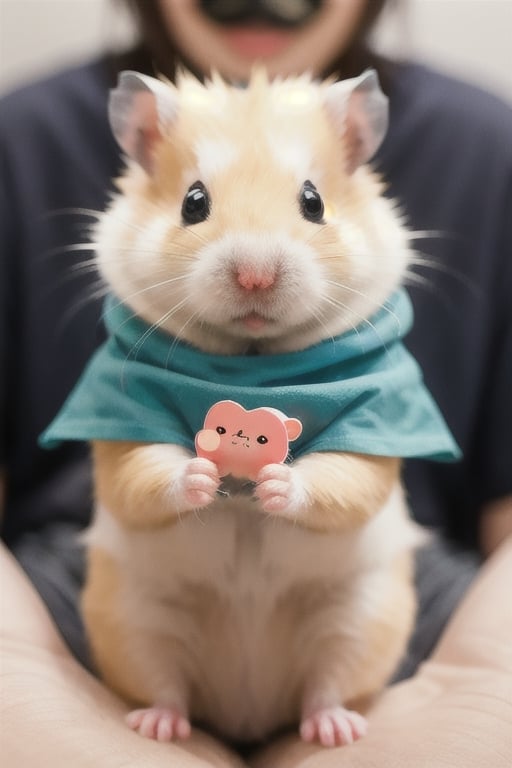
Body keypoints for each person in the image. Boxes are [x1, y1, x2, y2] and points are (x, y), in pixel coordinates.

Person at [1, 1, 511, 765]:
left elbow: (383, 484)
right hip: (93, 598)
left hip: (366, 610)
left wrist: (488, 684)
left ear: (357, 141)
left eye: (308, 205)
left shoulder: (489, 150)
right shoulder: (18, 140)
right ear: (143, 142)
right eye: (197, 206)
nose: (254, 273)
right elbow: (124, 475)